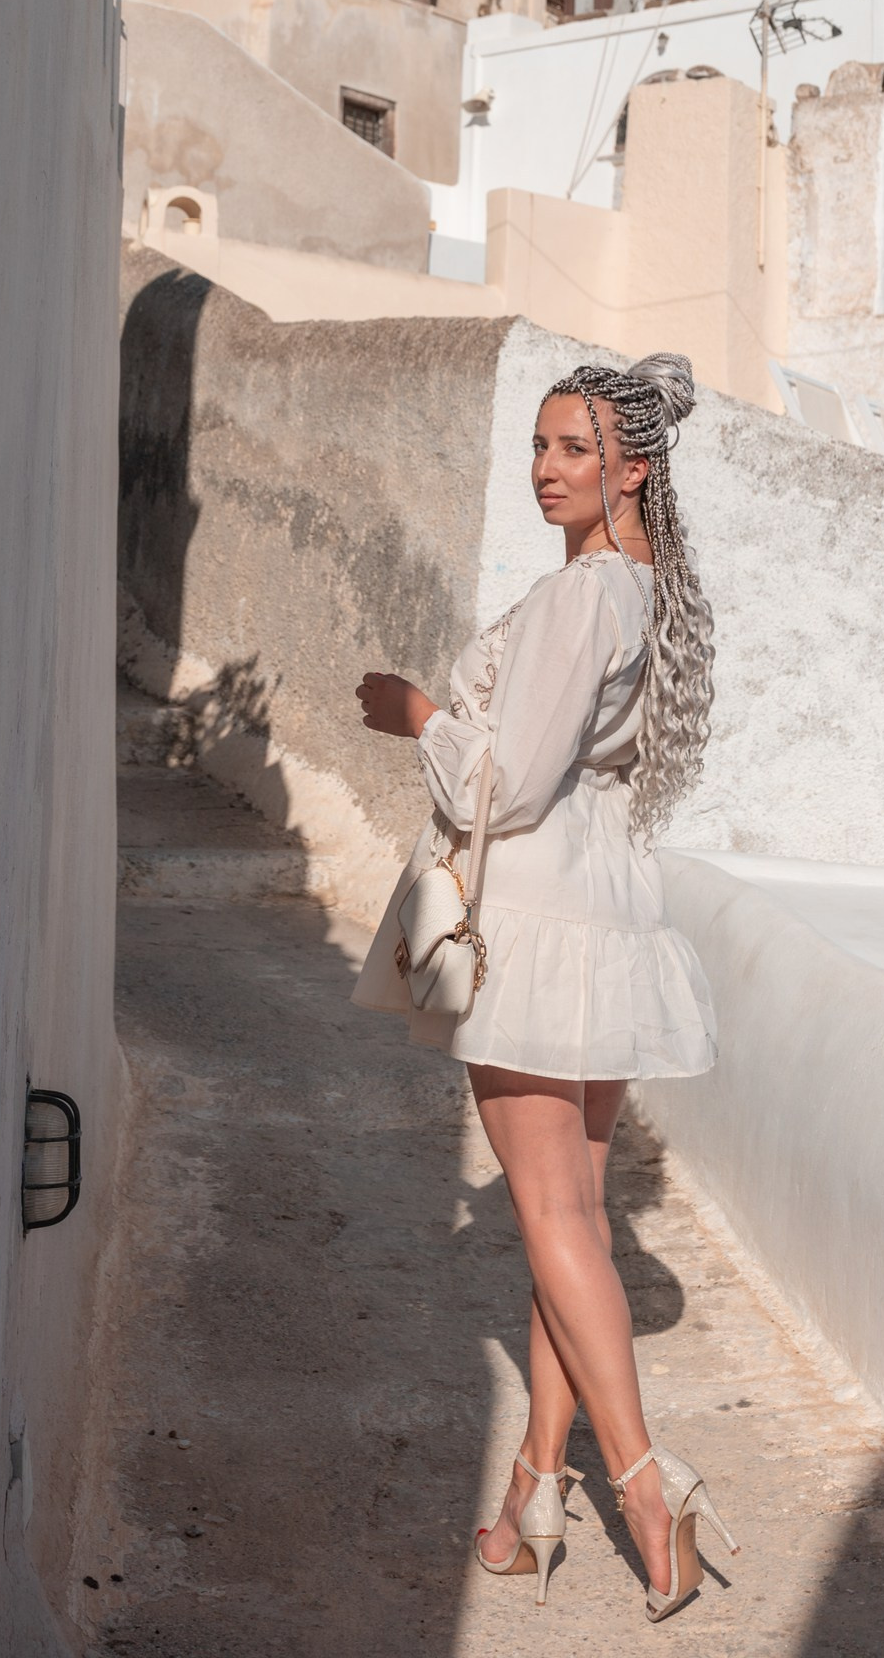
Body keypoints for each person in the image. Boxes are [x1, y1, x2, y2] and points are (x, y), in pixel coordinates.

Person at [352, 353, 738, 1622]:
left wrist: (416, 714)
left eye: (573, 447)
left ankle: (642, 1487)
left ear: (633, 466)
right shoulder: (650, 593)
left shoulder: (582, 599)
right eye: (538, 445)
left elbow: (506, 785)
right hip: (607, 910)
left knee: (557, 1223)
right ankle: (534, 1490)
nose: (545, 468)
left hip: (537, 916)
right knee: (565, 1225)